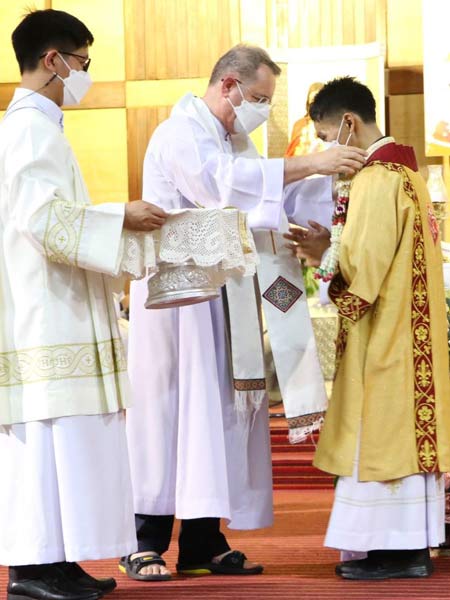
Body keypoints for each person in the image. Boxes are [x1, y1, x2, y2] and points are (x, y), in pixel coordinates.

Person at [123, 45, 366, 582]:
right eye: (258, 98)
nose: (261, 109)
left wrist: (332, 184)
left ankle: (203, 541)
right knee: (168, 414)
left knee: (218, 415)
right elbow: (222, 187)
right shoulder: (179, 132)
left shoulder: (235, 139)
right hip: (177, 300)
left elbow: (271, 199)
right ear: (228, 85)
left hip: (222, 299)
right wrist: (313, 162)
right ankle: (144, 540)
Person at [0, 9, 167, 600]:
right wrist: (120, 215)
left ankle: (59, 559)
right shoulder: (28, 129)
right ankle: (33, 569)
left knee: (64, 449)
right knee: (47, 445)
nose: (85, 75)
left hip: (58, 305)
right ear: (54, 60)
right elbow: (43, 221)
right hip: (45, 317)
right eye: (82, 62)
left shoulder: (40, 128)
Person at [298, 76, 450, 580]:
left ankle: (397, 551)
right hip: (410, 332)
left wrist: (322, 255)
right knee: (398, 434)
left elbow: (363, 271)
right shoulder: (408, 173)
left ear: (349, 123)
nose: (326, 150)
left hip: (387, 335)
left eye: (326, 138)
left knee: (381, 436)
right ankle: (405, 547)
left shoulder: (377, 178)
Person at [285, 82, 325, 157]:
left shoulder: (334, 125)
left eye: (319, 102)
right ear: (308, 103)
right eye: (312, 102)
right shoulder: (300, 125)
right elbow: (291, 157)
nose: (315, 106)